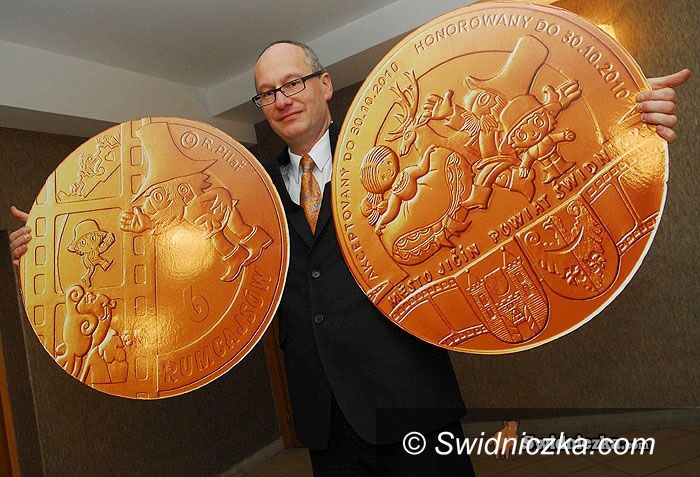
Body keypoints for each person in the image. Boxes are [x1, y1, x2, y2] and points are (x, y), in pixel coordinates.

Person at [8, 39, 690, 476]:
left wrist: (635, 116)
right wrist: (47, 257)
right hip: (323, 418)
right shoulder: (251, 193)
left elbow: (518, 149)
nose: (282, 99)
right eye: (268, 92)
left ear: (325, 85)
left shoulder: (395, 152)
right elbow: (160, 245)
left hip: (410, 402)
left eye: (293, 82)